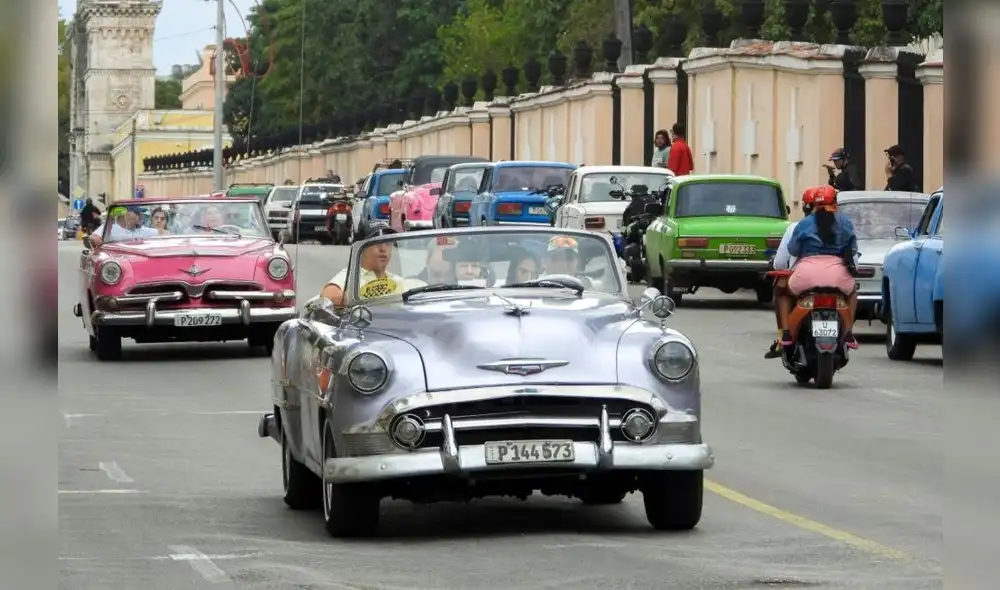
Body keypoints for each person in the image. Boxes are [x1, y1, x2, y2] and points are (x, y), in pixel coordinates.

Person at [784, 185, 860, 349]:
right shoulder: (845, 223)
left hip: (806, 275)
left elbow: (793, 250)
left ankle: (787, 333)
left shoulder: (804, 224)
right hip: (838, 276)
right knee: (853, 293)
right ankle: (848, 333)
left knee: (785, 293)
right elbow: (853, 250)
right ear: (835, 203)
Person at [765, 187, 817, 358]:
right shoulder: (843, 227)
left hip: (802, 280)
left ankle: (784, 337)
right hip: (837, 282)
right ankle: (847, 334)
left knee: (781, 289)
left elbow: (780, 262)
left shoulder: (797, 227)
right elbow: (853, 259)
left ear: (805, 208)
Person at [320, 221, 401, 306]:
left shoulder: (397, 280)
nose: (383, 249)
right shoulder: (351, 277)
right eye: (376, 243)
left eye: (388, 243)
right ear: (361, 248)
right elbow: (327, 297)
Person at [88, 206, 160, 246]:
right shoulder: (110, 228)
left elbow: (162, 233)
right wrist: (94, 241)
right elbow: (94, 237)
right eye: (137, 213)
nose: (141, 216)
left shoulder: (142, 230)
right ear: (126, 214)